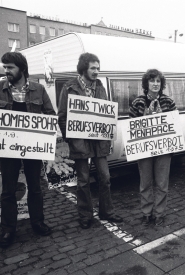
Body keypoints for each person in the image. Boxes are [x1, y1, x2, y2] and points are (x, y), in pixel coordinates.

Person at [58, 53, 123, 229]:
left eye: (98, 68)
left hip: (99, 142)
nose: (96, 71)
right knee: (83, 180)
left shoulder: (100, 87)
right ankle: (85, 215)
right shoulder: (69, 87)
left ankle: (106, 212)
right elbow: (62, 116)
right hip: (80, 141)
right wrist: (69, 138)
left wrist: (109, 135)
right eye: (93, 68)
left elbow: (107, 114)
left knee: (105, 177)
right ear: (84, 68)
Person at [0, 52, 55, 248]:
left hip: (33, 148)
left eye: (10, 67)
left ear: (21, 68)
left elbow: (50, 114)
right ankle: (8, 229)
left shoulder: (38, 89)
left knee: (35, 187)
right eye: (4, 67)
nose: (6, 71)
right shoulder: (0, 88)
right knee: (7, 190)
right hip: (8, 149)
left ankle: (37, 223)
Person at [129, 69, 176, 226]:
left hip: (164, 149)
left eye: (158, 81)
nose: (155, 84)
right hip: (144, 149)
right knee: (145, 183)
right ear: (146, 83)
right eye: (152, 81)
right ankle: (146, 213)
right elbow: (131, 127)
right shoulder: (137, 102)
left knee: (162, 183)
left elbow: (174, 125)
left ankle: (160, 214)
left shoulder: (169, 102)